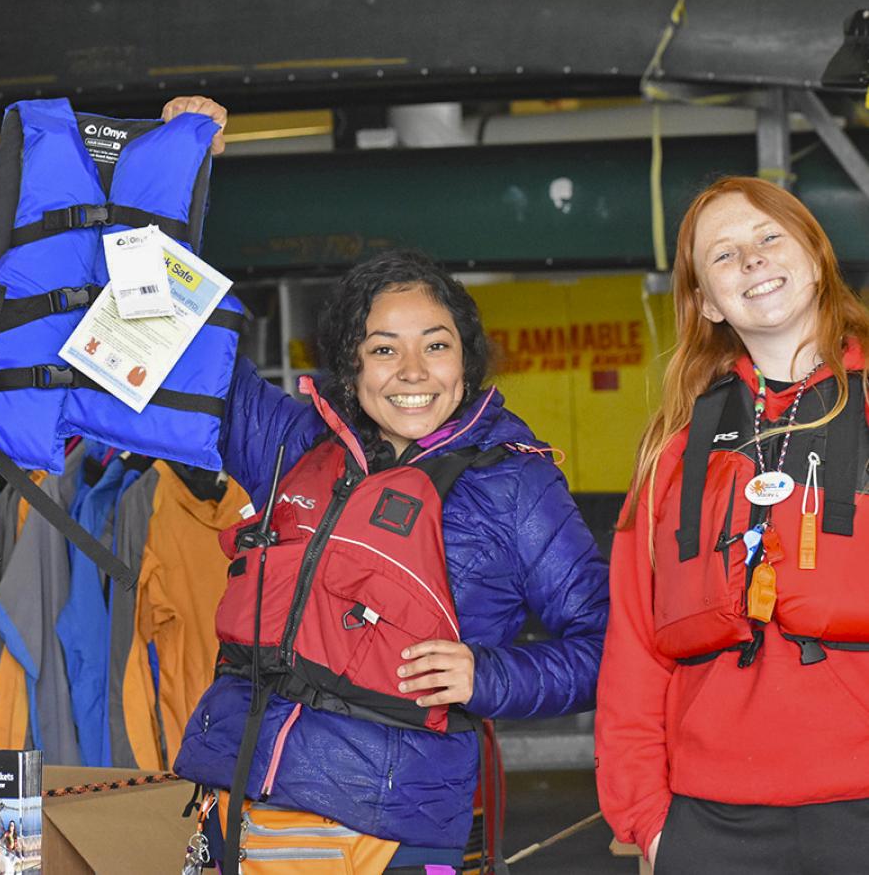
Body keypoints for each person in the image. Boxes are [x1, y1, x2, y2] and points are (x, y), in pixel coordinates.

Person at [166, 94, 608, 875]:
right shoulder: (294, 443)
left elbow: (606, 646)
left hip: (389, 830)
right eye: (382, 350)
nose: (412, 373)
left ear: (466, 360)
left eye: (435, 346)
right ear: (350, 365)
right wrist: (182, 176)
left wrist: (490, 674)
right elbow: (186, 341)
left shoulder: (516, 486)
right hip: (232, 805)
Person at [595, 175, 869, 873]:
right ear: (707, 303)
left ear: (815, 253)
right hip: (710, 827)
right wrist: (649, 822)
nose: (751, 260)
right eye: (723, 254)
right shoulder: (672, 450)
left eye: (769, 236)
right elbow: (633, 645)